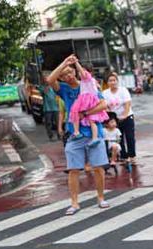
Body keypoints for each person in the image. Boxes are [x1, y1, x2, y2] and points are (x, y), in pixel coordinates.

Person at [46, 54, 110, 215]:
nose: (68, 76)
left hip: (94, 132)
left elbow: (103, 104)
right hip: (74, 135)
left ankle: (101, 197)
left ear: (75, 71)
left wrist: (86, 113)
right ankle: (74, 203)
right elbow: (49, 80)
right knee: (73, 169)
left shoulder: (88, 84)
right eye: (64, 75)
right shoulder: (64, 89)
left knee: (98, 168)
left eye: (69, 72)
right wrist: (64, 62)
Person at [68, 61, 108, 147]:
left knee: (75, 111)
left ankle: (76, 132)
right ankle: (94, 138)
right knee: (91, 120)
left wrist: (76, 63)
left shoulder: (86, 77)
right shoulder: (91, 79)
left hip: (86, 99)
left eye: (82, 70)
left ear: (88, 72)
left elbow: (82, 72)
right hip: (91, 99)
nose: (80, 73)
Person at [103, 72, 136, 165]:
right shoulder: (105, 93)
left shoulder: (123, 90)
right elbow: (105, 106)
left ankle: (132, 156)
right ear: (107, 83)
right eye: (110, 81)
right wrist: (112, 118)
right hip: (115, 120)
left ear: (117, 81)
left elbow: (127, 103)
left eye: (114, 80)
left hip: (127, 117)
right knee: (119, 138)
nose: (113, 82)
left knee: (130, 137)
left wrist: (125, 115)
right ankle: (124, 156)